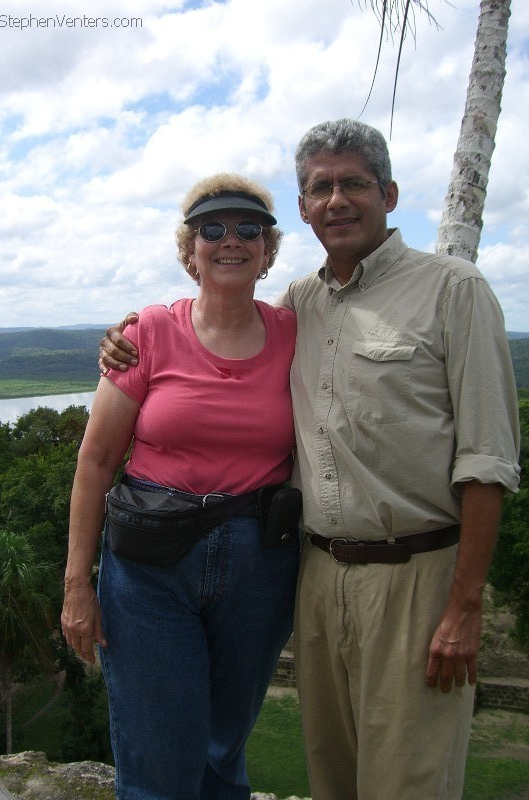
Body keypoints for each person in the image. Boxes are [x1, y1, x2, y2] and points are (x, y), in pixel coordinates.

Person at [99, 119, 521, 800]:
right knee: (335, 776)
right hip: (315, 575)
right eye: (321, 187)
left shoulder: (453, 291)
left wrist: (465, 604)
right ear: (302, 210)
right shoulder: (301, 303)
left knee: (407, 781)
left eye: (353, 182)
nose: (337, 199)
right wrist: (127, 334)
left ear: (387, 192)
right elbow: (215, 322)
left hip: (415, 578)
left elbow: (488, 462)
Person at [61, 173, 301, 800]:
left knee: (224, 749)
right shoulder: (147, 334)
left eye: (248, 228)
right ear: (188, 249)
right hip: (149, 567)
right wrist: (76, 586)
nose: (230, 240)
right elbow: (95, 461)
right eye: (211, 229)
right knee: (154, 752)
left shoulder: (299, 335)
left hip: (258, 563)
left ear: (268, 249)